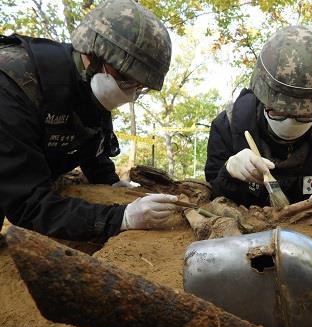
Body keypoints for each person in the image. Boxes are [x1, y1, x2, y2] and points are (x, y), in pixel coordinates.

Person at [0, 0, 179, 240]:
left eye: (141, 87)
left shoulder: (87, 87)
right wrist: (120, 218)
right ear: (92, 55)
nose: (131, 93)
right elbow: (29, 203)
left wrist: (110, 183)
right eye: (127, 78)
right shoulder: (13, 84)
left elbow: (91, 141)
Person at [205, 26, 312, 223]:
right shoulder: (228, 127)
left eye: (304, 115)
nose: (290, 122)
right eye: (278, 111)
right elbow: (210, 199)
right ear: (263, 97)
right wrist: (228, 172)